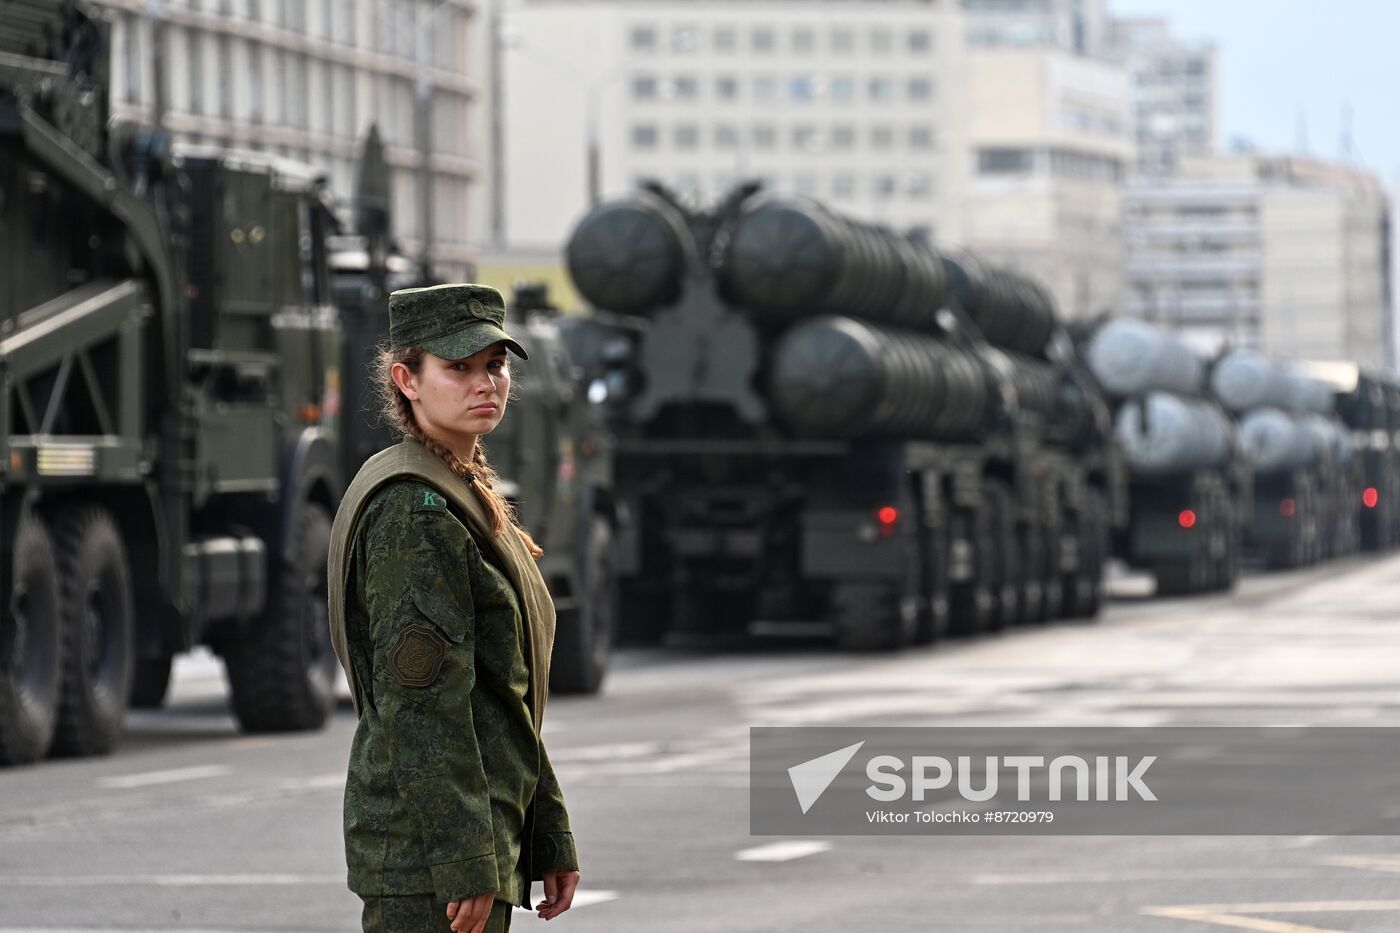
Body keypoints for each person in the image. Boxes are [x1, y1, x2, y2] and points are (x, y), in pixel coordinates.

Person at [326, 283, 581, 933]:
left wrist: (546, 831)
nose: (485, 383)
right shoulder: (415, 511)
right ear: (407, 379)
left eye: (494, 365)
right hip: (431, 859)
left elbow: (505, 694)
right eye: (458, 367)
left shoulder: (464, 490)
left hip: (474, 840)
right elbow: (423, 706)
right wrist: (464, 858)